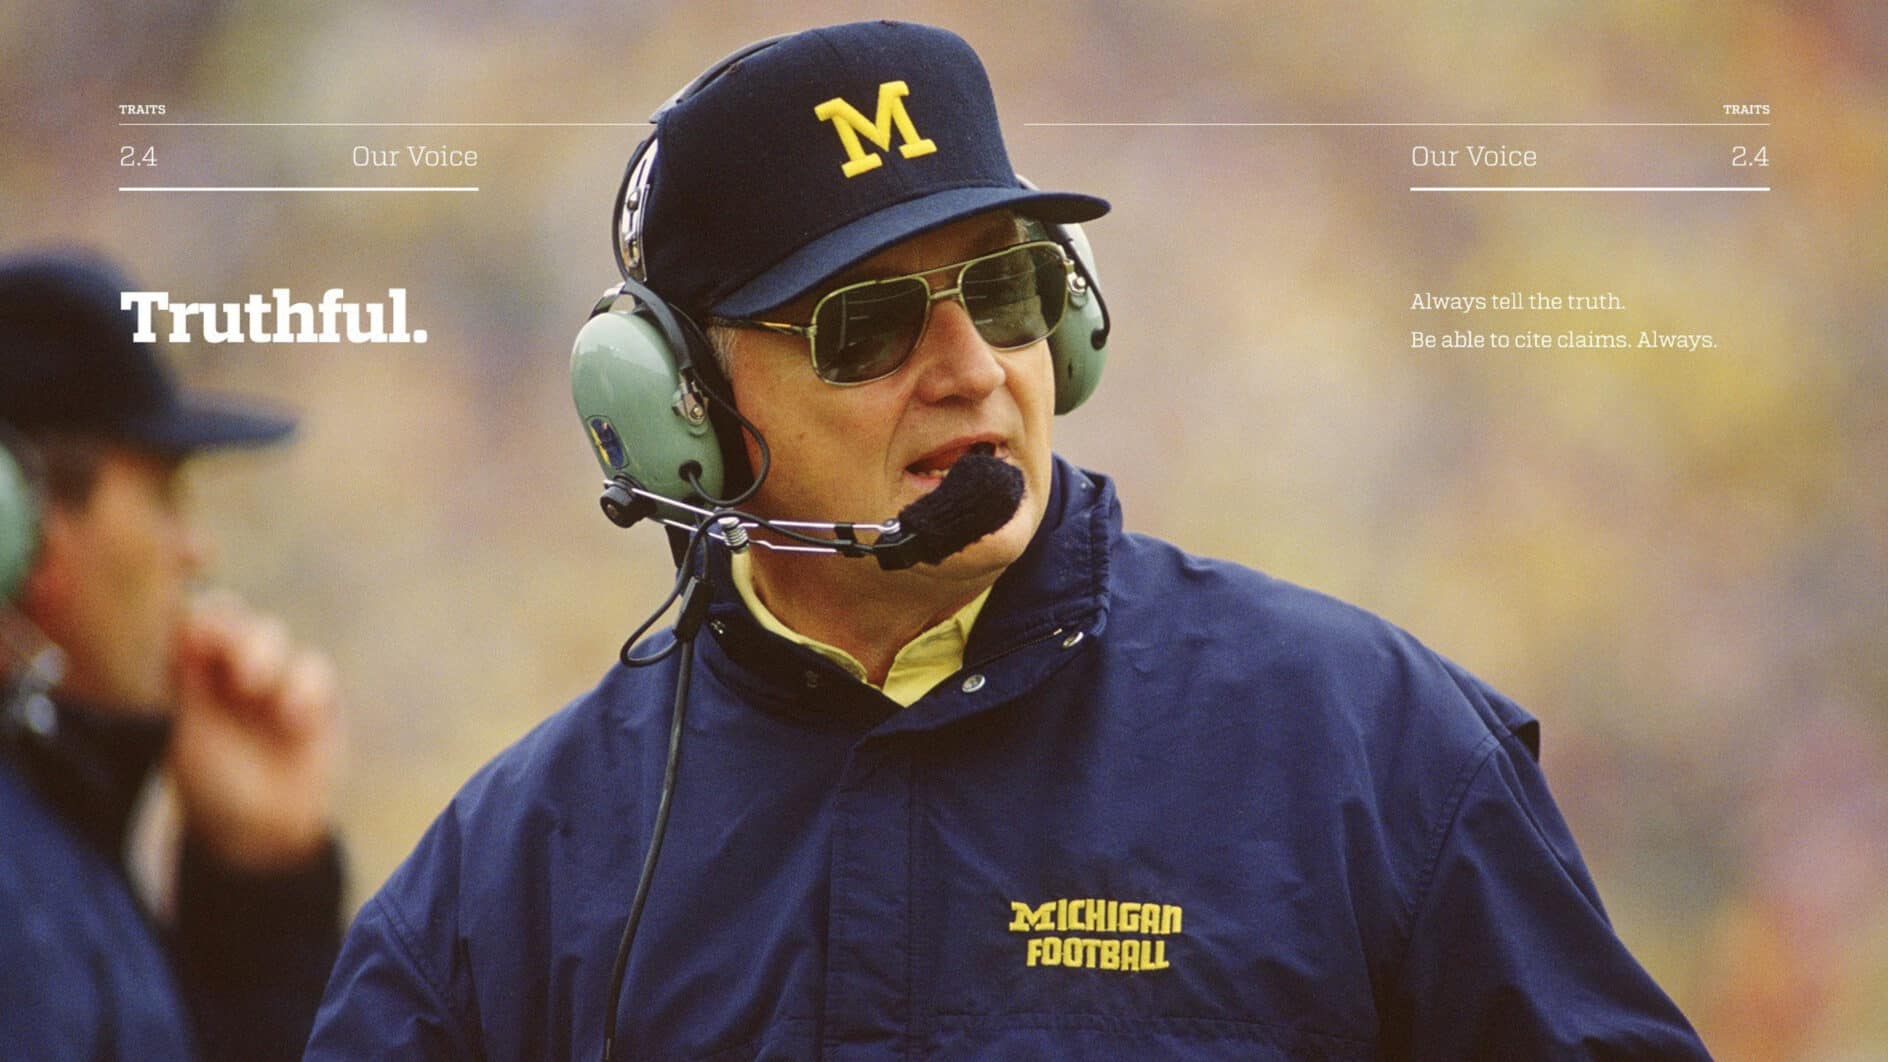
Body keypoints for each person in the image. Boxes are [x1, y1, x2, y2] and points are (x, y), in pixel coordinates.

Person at [308, 21, 1709, 1059]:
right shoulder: (511, 881)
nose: (974, 367)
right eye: (865, 325)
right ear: (681, 409)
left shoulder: (1374, 746)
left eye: (1010, 288)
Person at [0, 252, 346, 1061]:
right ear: (21, 520)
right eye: (163, 494)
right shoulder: (18, 901)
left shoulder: (51, 851)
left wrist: (257, 886)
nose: (193, 550)